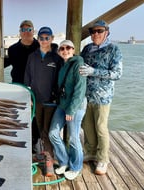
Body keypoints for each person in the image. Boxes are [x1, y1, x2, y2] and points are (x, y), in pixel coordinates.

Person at [79, 20, 123, 175]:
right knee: (87, 126)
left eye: (99, 31)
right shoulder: (86, 49)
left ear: (107, 32)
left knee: (101, 127)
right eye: (92, 31)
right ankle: (90, 152)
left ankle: (103, 159)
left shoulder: (114, 49)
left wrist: (93, 71)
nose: (95, 34)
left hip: (103, 98)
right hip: (86, 96)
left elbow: (117, 74)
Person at [24, 26, 63, 177]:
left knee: (48, 131)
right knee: (40, 129)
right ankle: (46, 154)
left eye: (47, 38)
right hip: (36, 101)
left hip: (51, 102)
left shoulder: (57, 58)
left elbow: (61, 80)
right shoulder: (32, 56)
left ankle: (49, 161)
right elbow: (27, 78)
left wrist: (57, 97)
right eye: (41, 38)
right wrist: (29, 97)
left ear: (52, 39)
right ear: (38, 39)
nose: (44, 40)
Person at [48, 40, 87, 180]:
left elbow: (80, 90)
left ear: (74, 49)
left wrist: (71, 111)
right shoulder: (63, 65)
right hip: (62, 104)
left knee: (73, 137)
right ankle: (64, 161)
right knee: (53, 133)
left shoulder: (79, 64)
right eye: (62, 48)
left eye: (68, 48)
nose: (65, 50)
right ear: (59, 51)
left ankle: (76, 166)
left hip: (75, 106)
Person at [4, 20, 40, 151]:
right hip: (18, 86)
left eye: (29, 29)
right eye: (23, 30)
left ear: (33, 31)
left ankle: (35, 141)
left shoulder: (40, 46)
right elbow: (2, 64)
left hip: (36, 87)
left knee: (35, 115)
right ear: (20, 33)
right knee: (18, 113)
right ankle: (19, 137)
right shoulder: (13, 49)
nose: (26, 32)